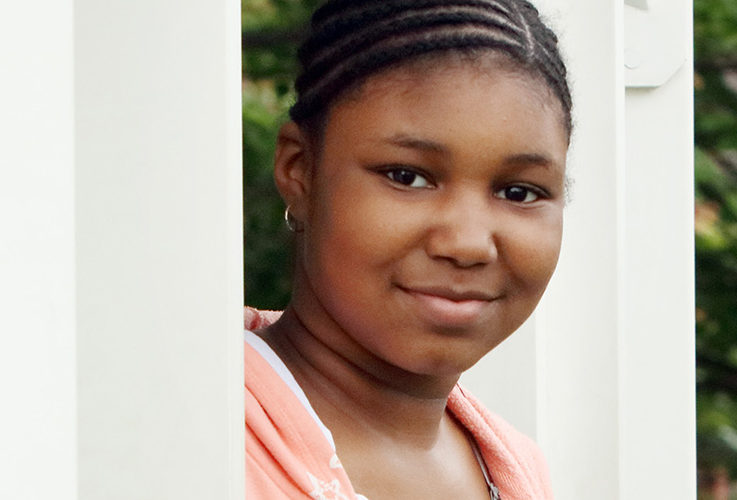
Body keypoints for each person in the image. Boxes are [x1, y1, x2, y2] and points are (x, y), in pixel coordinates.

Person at [244, 0, 572, 498]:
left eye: (518, 192)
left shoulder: (519, 469)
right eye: (408, 177)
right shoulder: (200, 424)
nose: (467, 244)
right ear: (299, 171)